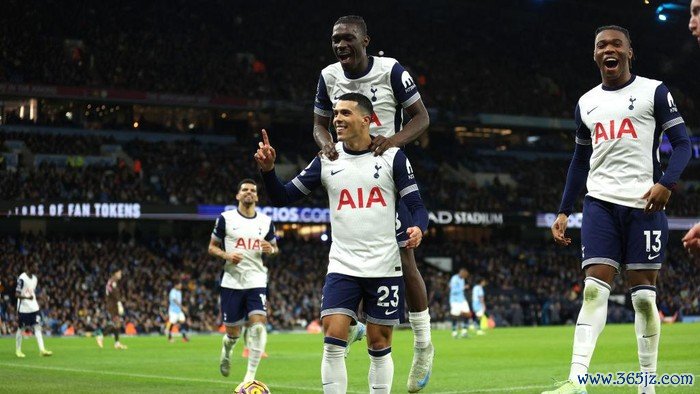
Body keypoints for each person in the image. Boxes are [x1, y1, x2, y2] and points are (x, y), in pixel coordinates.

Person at [545, 25, 691, 394]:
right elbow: (580, 161)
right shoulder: (585, 103)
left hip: (644, 204)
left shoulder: (654, 92)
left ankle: (647, 384)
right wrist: (563, 210)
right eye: (601, 45)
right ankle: (577, 381)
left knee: (643, 298)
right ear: (595, 55)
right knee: (594, 290)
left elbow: (683, 144)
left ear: (629, 52)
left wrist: (666, 183)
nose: (608, 49)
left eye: (615, 44)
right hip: (600, 204)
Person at [256, 93, 429, 394]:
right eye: (335, 113)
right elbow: (283, 197)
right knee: (333, 337)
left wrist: (418, 227)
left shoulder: (392, 157)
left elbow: (416, 204)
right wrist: (269, 172)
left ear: (367, 119)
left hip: (385, 266)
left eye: (345, 113)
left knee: (379, 344)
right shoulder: (327, 158)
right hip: (343, 265)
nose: (336, 119)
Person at [312, 15, 433, 392]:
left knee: (403, 254)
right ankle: (350, 320)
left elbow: (422, 118)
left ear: (366, 40)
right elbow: (317, 125)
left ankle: (423, 344)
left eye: (347, 38)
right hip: (349, 167)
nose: (340, 45)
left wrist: (393, 141)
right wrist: (324, 144)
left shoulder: (391, 70)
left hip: (386, 170)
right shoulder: (328, 76)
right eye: (335, 39)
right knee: (348, 244)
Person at [208, 178, 279, 384]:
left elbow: (274, 248)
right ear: (238, 195)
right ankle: (226, 351)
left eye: (253, 190)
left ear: (256, 196)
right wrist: (227, 256)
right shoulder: (225, 218)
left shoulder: (265, 221)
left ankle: (249, 378)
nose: (249, 192)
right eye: (245, 190)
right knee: (233, 334)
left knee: (258, 326)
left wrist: (271, 250)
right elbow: (212, 247)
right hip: (232, 282)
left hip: (257, 280)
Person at [14, 264, 52, 357]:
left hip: (34, 307)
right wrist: (27, 298)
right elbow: (17, 294)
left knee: (37, 327)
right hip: (23, 308)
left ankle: (42, 350)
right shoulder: (22, 278)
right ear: (29, 267)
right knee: (21, 328)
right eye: (35, 267)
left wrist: (41, 297)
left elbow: (32, 293)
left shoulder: (35, 279)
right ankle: (18, 350)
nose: (37, 268)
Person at [96, 268, 128, 350]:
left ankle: (117, 343)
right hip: (113, 305)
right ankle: (101, 336)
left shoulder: (111, 281)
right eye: (119, 273)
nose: (120, 275)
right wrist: (119, 303)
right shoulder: (113, 282)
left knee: (117, 324)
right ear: (115, 273)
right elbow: (114, 293)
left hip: (111, 304)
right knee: (115, 323)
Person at [448, 268, 471, 338]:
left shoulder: (462, 279)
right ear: (461, 273)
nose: (465, 277)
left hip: (462, 299)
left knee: (467, 314)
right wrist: (463, 287)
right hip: (455, 300)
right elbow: (453, 290)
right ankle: (454, 332)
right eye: (465, 275)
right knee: (455, 316)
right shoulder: (454, 279)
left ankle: (464, 332)